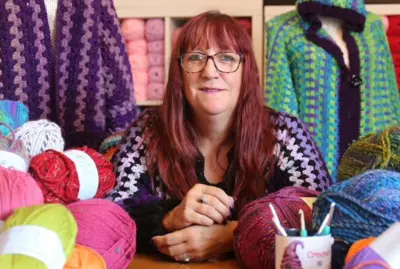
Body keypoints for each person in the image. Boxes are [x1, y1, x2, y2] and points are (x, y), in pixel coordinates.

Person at [107, 10, 332, 263]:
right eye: (196, 57)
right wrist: (169, 217)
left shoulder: (285, 135)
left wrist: (231, 235)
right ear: (179, 71)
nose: (210, 72)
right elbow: (111, 214)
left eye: (226, 58)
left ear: (246, 71)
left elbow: (324, 213)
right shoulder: (147, 132)